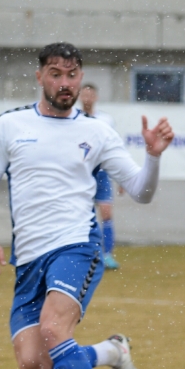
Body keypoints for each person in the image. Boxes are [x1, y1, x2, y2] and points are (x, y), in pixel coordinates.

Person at [0, 42, 173, 369]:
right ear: (40, 76)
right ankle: (111, 352)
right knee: (34, 365)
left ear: (81, 78)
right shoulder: (11, 125)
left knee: (53, 329)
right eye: (57, 74)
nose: (66, 83)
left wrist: (152, 158)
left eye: (73, 75)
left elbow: (141, 192)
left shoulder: (97, 133)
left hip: (77, 247)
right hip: (28, 260)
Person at [79, 83, 121, 270]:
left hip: (101, 172)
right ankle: (84, 255)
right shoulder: (74, 118)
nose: (87, 98)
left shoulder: (106, 120)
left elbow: (115, 149)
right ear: (80, 97)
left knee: (106, 213)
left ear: (95, 97)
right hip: (81, 173)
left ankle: (107, 255)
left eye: (90, 95)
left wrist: (121, 177)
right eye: (84, 95)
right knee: (81, 216)